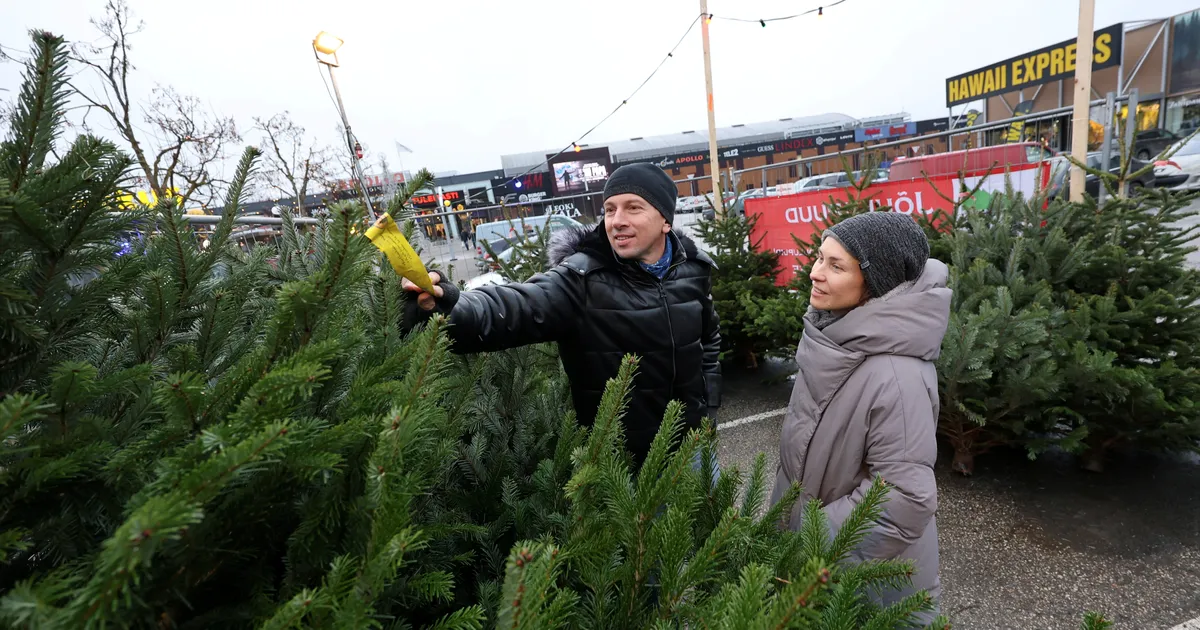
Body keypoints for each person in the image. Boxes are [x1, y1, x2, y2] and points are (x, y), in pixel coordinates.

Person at [402, 163, 722, 468]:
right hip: (620, 466)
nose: (616, 220)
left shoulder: (692, 270)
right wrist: (448, 306)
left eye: (633, 208)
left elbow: (708, 339)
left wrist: (709, 408)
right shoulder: (580, 280)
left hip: (692, 452)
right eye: (610, 209)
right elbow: (515, 306)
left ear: (665, 220)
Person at [769, 212, 950, 622]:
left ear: (877, 282)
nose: (815, 273)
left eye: (836, 266)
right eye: (819, 259)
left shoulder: (895, 374)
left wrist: (806, 543)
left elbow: (904, 497)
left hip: (868, 589)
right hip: (824, 569)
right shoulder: (837, 337)